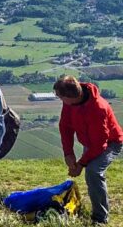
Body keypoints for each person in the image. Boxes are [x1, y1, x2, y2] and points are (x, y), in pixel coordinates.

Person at [54, 75, 123, 224]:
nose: (60, 100)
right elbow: (65, 126)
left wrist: (81, 163)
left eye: (61, 97)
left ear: (71, 96)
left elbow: (99, 144)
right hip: (92, 143)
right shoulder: (70, 103)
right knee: (90, 172)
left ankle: (100, 218)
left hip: (110, 143)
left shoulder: (98, 109)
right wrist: (68, 153)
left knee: (93, 172)